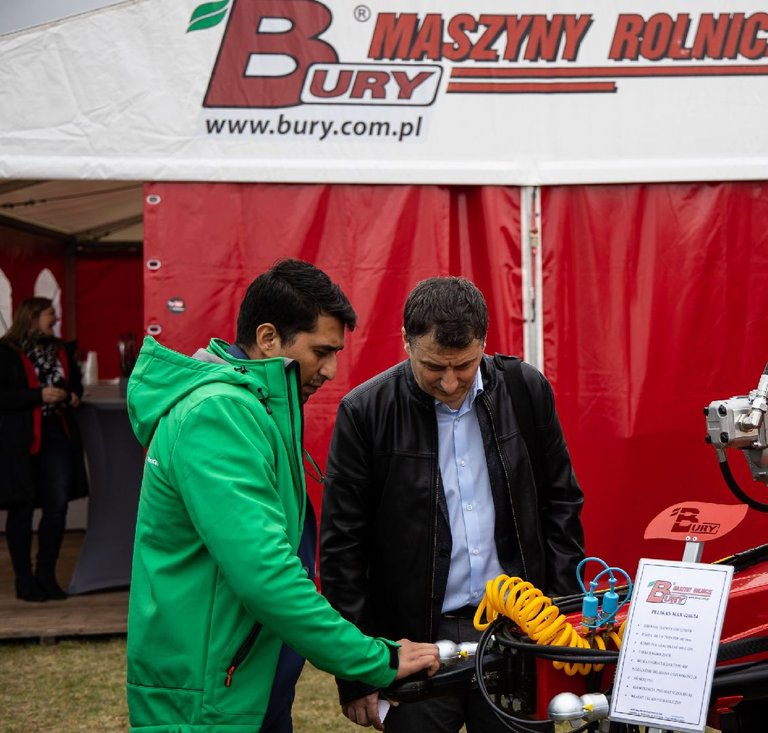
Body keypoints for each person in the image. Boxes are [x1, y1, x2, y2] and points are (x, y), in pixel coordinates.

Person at [125, 259, 440, 733]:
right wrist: (376, 659)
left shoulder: (251, 407)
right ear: (269, 338)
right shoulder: (219, 414)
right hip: (207, 700)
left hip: (242, 687)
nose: (331, 370)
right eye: (321, 351)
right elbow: (267, 575)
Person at [320, 276, 586, 732]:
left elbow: (560, 503)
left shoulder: (525, 389)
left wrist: (563, 618)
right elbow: (342, 549)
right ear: (406, 342)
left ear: (484, 341)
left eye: (464, 365)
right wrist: (359, 672)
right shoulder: (365, 411)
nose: (449, 381)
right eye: (433, 366)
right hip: (415, 644)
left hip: (517, 631)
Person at [0, 297, 87, 602]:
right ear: (33, 316)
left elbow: (75, 384)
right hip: (19, 439)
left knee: (56, 507)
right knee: (21, 507)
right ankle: (24, 580)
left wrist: (72, 395)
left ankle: (46, 575)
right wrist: (38, 396)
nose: (56, 318)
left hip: (56, 434)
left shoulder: (61, 348)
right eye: (51, 313)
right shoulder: (6, 351)